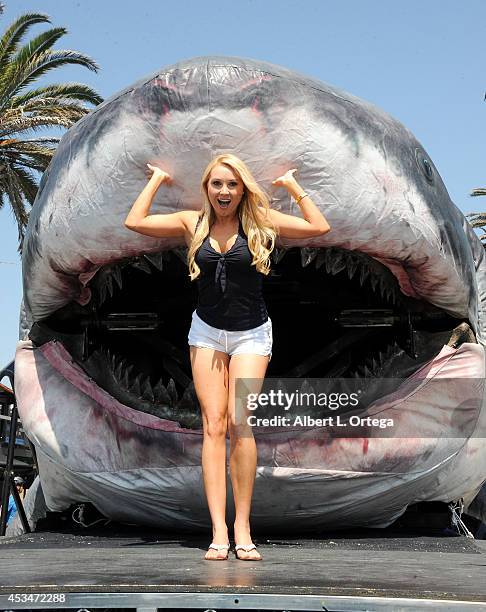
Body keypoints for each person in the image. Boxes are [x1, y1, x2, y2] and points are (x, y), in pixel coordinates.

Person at [125, 153, 331, 560]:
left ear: (242, 190)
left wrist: (291, 186)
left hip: (251, 334)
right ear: (207, 188)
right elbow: (135, 221)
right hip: (205, 332)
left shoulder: (261, 223)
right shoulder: (192, 223)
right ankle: (219, 529)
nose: (224, 191)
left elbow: (318, 226)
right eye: (217, 184)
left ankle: (243, 527)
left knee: (240, 421)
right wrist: (158, 180)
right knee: (213, 425)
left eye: (232, 185)